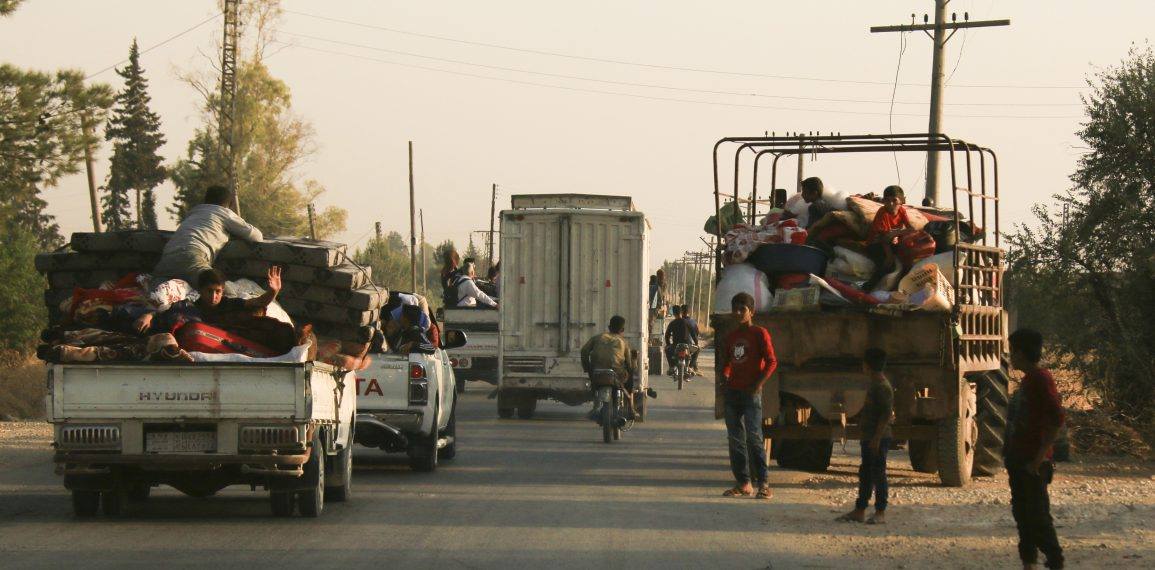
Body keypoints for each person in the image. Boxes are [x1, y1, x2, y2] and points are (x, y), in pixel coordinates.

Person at [1005, 329, 1066, 570]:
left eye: (1012, 352)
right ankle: (1028, 562)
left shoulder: (1041, 379)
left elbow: (1056, 419)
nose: (1011, 357)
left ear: (1020, 352)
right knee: (1023, 516)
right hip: (1021, 459)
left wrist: (1039, 459)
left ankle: (1055, 562)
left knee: (1039, 517)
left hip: (1032, 462)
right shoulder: (1030, 379)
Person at [719, 292, 777, 500]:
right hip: (733, 393)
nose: (737, 313)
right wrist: (724, 378)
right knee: (735, 440)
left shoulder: (760, 333)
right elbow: (727, 363)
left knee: (754, 437)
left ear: (751, 311)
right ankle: (743, 483)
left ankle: (764, 484)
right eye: (735, 308)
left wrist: (758, 384)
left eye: (742, 309)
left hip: (751, 394)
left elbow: (771, 361)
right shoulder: (732, 337)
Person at [151, 185, 264, 285]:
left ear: (206, 200)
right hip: (192, 257)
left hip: (167, 257)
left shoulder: (194, 212)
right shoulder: (224, 213)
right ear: (228, 205)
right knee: (219, 291)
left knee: (156, 295)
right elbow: (256, 236)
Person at [135, 266, 283, 334]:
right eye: (209, 291)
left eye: (218, 291)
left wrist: (273, 291)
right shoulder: (190, 306)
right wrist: (147, 315)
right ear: (200, 290)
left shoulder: (229, 304)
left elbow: (259, 302)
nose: (214, 296)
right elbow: (164, 312)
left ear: (222, 291)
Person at [837, 348, 894, 524]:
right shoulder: (875, 385)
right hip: (870, 437)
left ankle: (880, 512)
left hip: (878, 438)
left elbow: (886, 415)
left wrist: (876, 438)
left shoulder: (883, 387)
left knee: (878, 473)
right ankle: (860, 509)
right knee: (866, 472)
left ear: (868, 366)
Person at [580, 315, 637, 421]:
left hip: (597, 373)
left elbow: (584, 351)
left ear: (609, 327)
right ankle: (631, 407)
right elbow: (629, 364)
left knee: (594, 383)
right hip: (616, 375)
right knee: (630, 376)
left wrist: (587, 368)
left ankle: (595, 405)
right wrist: (632, 368)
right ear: (622, 330)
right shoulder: (623, 342)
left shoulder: (598, 337)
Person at [863, 185, 914, 291]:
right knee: (886, 265)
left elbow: (911, 229)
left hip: (890, 241)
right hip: (876, 243)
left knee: (907, 260)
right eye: (887, 200)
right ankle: (867, 289)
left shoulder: (902, 211)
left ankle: (900, 290)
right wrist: (889, 255)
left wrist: (896, 233)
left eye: (894, 200)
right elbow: (883, 238)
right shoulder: (883, 212)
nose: (891, 204)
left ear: (901, 201)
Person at [664, 306, 699, 379]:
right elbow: (693, 334)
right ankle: (690, 367)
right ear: (681, 313)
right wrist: (696, 343)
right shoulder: (687, 322)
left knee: (666, 350)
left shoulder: (672, 323)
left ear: (674, 313)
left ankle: (671, 366)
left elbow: (667, 335)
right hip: (687, 346)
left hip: (676, 346)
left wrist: (668, 344)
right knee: (697, 350)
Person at [680, 304, 702, 374]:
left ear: (681, 312)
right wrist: (696, 343)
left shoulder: (677, 321)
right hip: (688, 345)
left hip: (677, 345)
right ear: (689, 312)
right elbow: (697, 333)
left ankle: (694, 367)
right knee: (697, 349)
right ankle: (691, 366)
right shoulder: (692, 322)